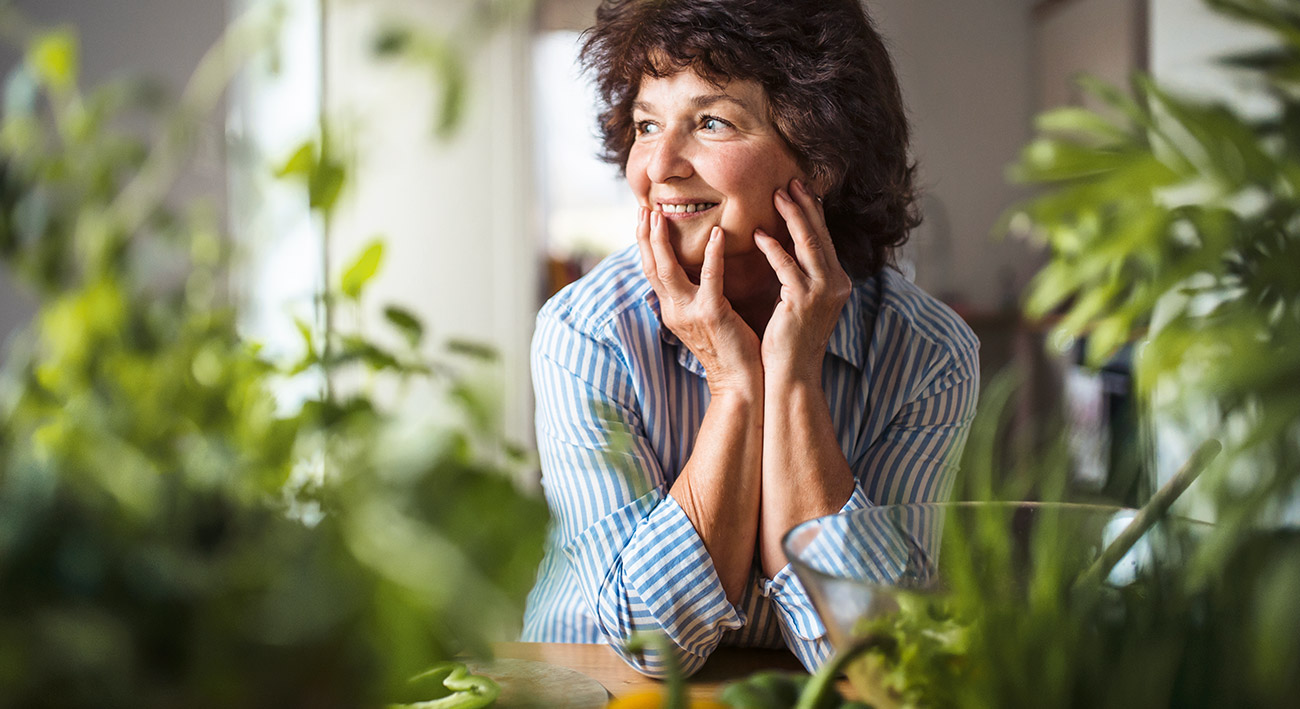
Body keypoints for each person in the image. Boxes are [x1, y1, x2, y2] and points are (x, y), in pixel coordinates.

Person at [521, 0, 980, 677]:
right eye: (648, 124)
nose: (660, 166)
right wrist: (735, 386)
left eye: (710, 122)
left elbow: (881, 647)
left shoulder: (929, 354)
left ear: (820, 160)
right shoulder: (585, 332)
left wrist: (792, 380)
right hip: (588, 684)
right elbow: (655, 644)